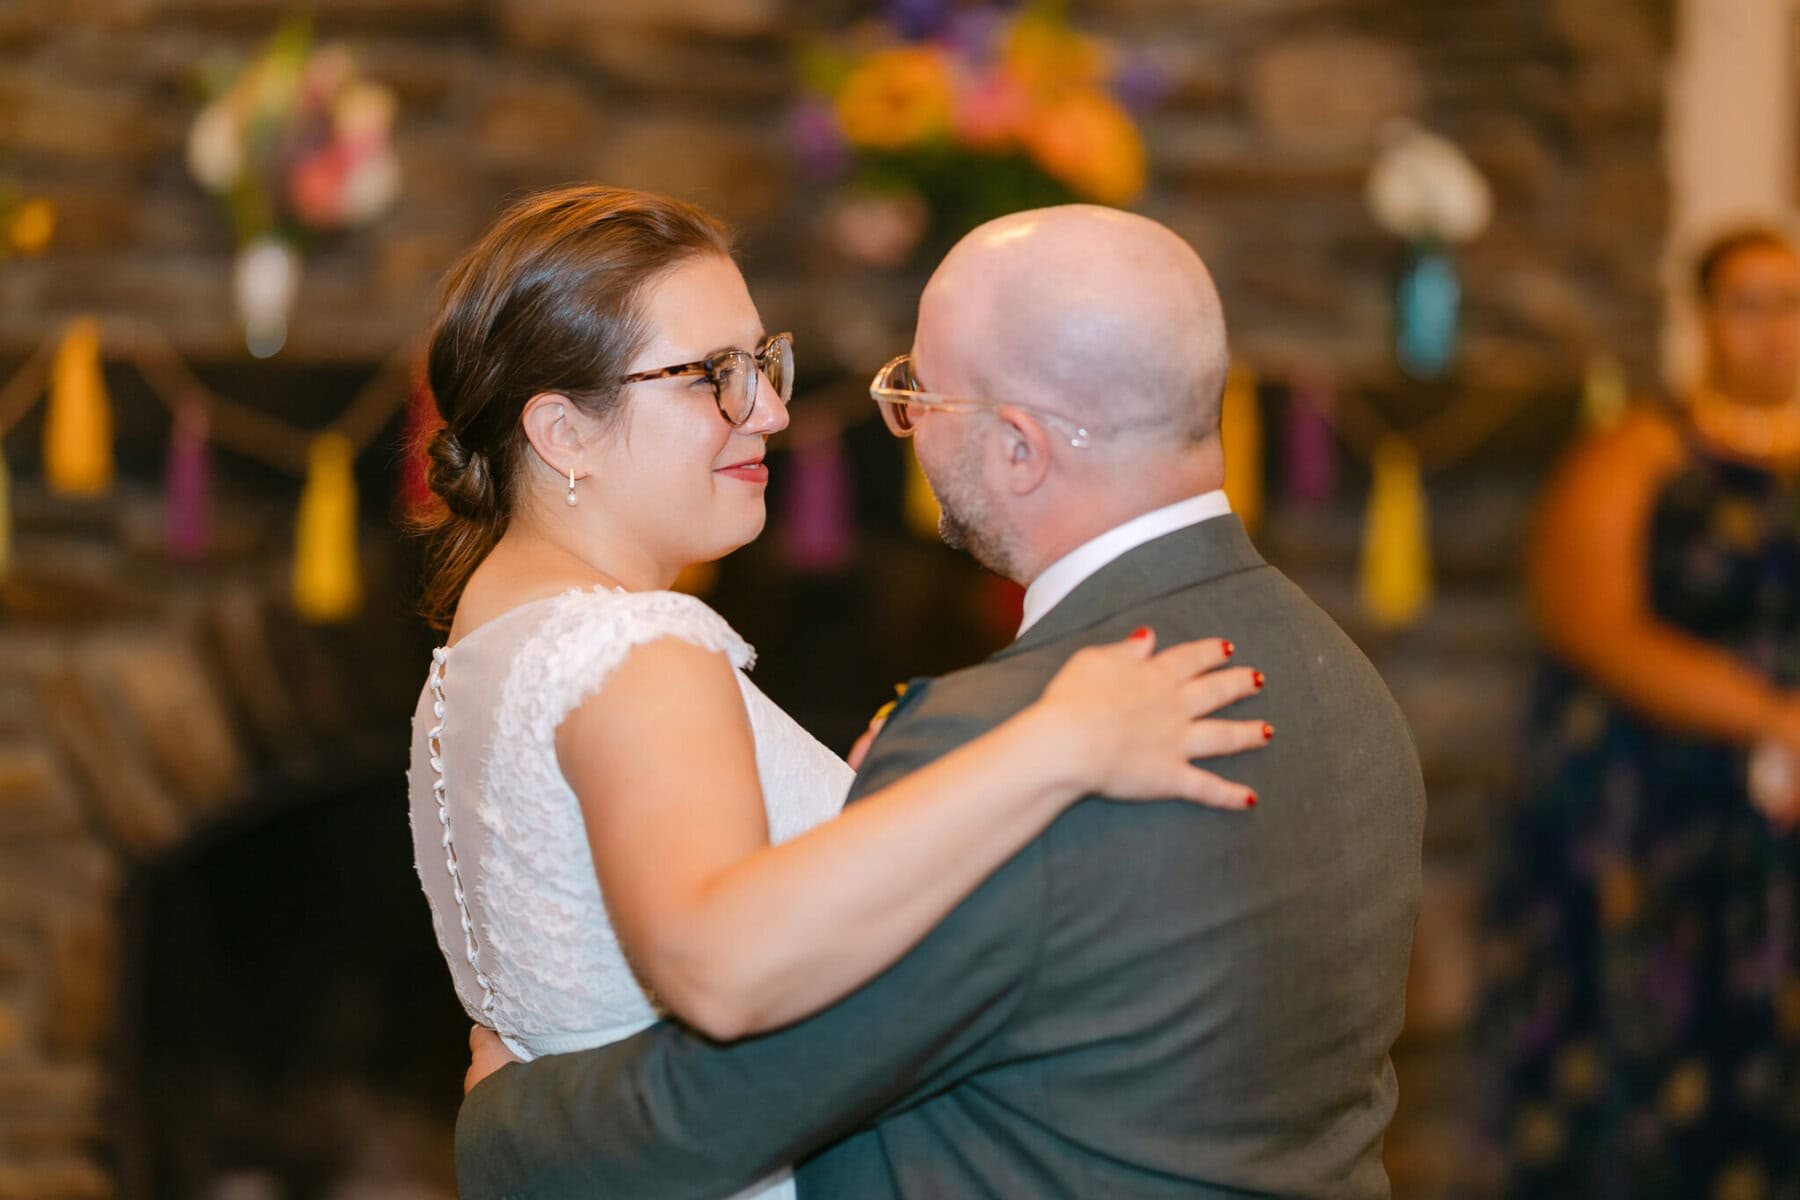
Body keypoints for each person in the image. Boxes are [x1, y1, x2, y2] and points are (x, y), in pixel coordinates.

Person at [454, 203, 1427, 1199]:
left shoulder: (999, 739)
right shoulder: (1340, 680)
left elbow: (724, 1108)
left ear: (1016, 448)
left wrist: (507, 1119)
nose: (903, 423)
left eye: (918, 392)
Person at [1482, 227, 1800, 1197]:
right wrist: (1773, 720)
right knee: (1649, 1051)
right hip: (1652, 802)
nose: (1774, 330)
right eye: (1749, 303)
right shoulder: (1636, 453)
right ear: (1703, 316)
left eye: (1791, 304)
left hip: (1781, 819)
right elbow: (1593, 622)